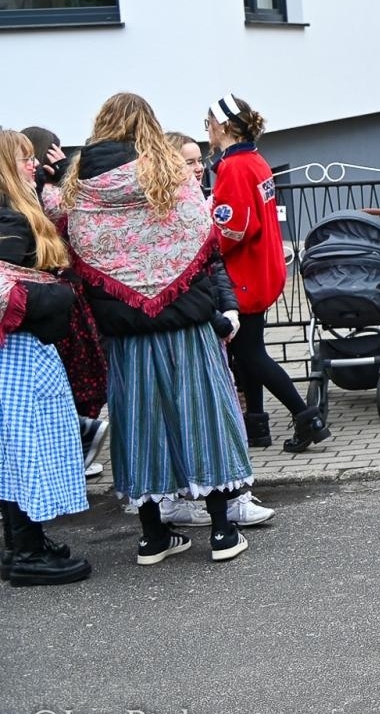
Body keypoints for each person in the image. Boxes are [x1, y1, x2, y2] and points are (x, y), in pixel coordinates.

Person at [58, 93, 256, 565]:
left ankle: (152, 537)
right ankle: (223, 533)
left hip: (124, 332)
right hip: (185, 324)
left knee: (139, 426)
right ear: (147, 125)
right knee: (202, 416)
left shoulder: (80, 187)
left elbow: (77, 252)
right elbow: (201, 236)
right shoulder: (167, 174)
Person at [200, 94, 325, 463]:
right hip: (260, 269)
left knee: (249, 354)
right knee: (248, 351)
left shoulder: (233, 167)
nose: (206, 129)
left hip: (243, 275)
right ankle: (257, 426)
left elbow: (234, 227)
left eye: (208, 123)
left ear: (223, 126)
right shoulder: (253, 160)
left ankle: (306, 417)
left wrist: (203, 250)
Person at [0, 132, 92, 586]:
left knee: (17, 449)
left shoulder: (17, 210)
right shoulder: (9, 218)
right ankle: (27, 553)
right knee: (24, 448)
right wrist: (53, 296)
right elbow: (11, 288)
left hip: (22, 349)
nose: (33, 165)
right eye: (24, 159)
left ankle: (22, 544)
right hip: (17, 351)